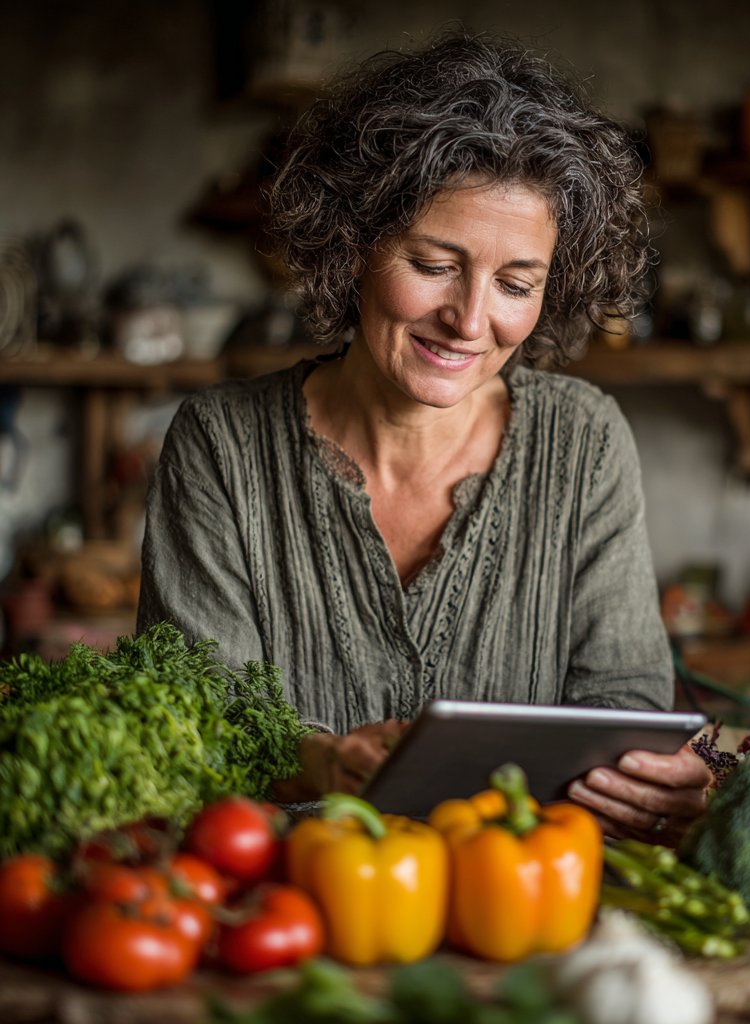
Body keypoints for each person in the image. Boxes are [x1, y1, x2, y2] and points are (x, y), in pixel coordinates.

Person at [137, 33, 711, 843]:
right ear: (355, 244)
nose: (471, 320)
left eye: (517, 284)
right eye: (435, 264)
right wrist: (322, 763)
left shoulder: (582, 442)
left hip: (517, 916)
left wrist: (656, 780)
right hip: (286, 919)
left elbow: (624, 707)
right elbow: (186, 731)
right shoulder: (223, 445)